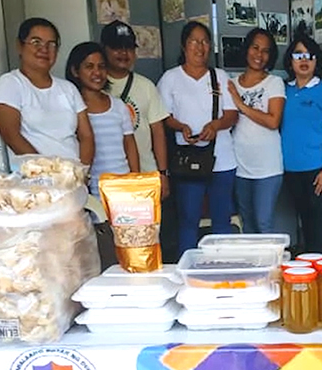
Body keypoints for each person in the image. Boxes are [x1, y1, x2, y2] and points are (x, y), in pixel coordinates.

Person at [157, 21, 239, 255]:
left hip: (221, 160)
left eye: (204, 41)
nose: (200, 47)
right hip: (187, 162)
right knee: (188, 220)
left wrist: (216, 125)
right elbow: (164, 116)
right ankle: (188, 271)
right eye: (194, 41)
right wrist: (180, 127)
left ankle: (223, 267)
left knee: (222, 220)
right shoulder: (170, 78)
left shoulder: (219, 76)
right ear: (184, 45)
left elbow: (232, 115)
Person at [0, 18, 94, 165]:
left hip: (73, 180)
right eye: (36, 42)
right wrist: (48, 171)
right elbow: (11, 135)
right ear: (19, 46)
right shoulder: (10, 83)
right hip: (35, 181)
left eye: (51, 44)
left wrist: (82, 172)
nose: (44, 49)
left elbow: (86, 136)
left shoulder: (68, 89)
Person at [280, 35, 322, 254]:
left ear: (316, 61)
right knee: (302, 225)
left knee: (316, 228)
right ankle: (304, 275)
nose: (304, 60)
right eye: (298, 55)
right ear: (290, 61)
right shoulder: (283, 91)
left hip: (316, 171)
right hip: (289, 170)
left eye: (309, 55)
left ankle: (319, 274)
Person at [100, 21, 170, 198]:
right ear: (104, 49)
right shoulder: (94, 85)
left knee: (147, 225)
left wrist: (162, 173)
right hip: (107, 176)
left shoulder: (146, 86)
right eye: (117, 47)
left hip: (145, 174)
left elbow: (158, 132)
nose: (124, 53)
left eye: (129, 48)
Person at [227, 28, 285, 234]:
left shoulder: (274, 82)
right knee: (248, 224)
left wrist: (240, 104)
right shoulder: (231, 83)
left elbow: (273, 121)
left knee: (263, 222)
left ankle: (273, 267)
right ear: (246, 49)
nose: (259, 55)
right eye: (255, 47)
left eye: (266, 51)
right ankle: (255, 266)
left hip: (268, 167)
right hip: (240, 164)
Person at [64, 42, 140, 195]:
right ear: (75, 71)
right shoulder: (70, 108)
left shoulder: (118, 106)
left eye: (101, 66)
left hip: (123, 186)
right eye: (89, 66)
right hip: (92, 189)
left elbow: (129, 144)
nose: (97, 72)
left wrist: (136, 180)